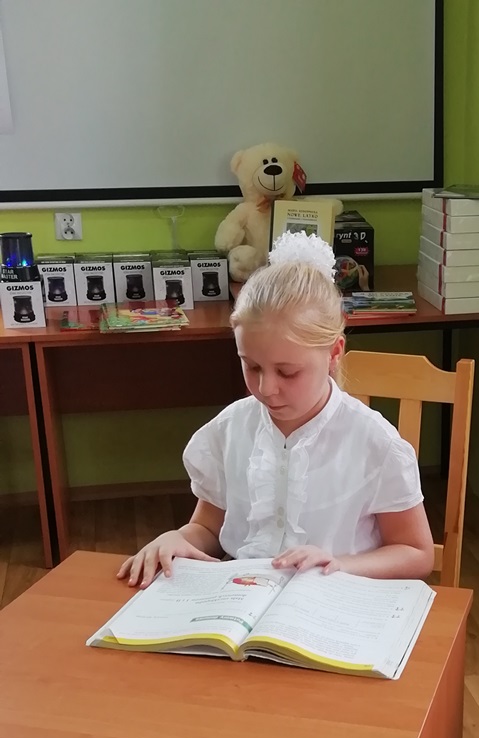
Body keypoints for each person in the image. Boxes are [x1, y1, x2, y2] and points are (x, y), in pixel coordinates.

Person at [118, 231, 434, 588]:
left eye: (287, 372)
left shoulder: (374, 443)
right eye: (251, 366)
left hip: (335, 601)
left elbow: (416, 552)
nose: (266, 388)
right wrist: (178, 538)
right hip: (242, 599)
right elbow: (208, 527)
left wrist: (340, 565)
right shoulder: (230, 430)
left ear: (334, 353)